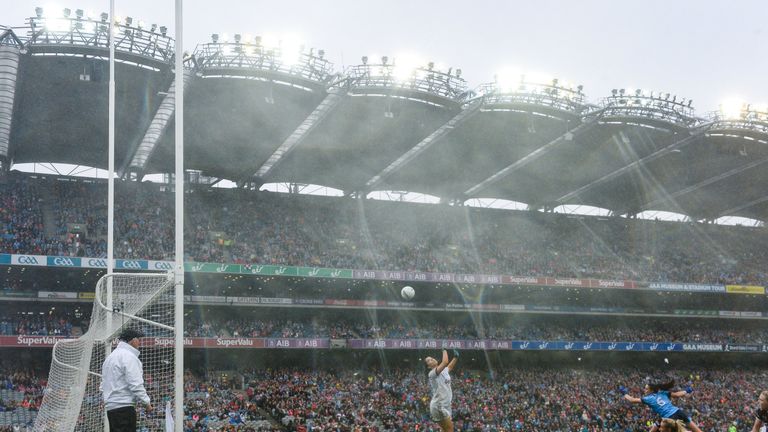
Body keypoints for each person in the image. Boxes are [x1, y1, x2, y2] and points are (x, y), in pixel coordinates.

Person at [101, 328, 152, 432]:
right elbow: (135, 384)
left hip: (111, 408)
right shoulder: (129, 357)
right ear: (133, 340)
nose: (140, 342)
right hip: (124, 407)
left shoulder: (110, 358)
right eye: (138, 339)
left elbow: (103, 385)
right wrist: (146, 402)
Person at [623, 379, 702, 432]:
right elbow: (677, 395)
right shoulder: (662, 393)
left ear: (651, 390)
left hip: (669, 418)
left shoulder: (647, 398)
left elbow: (632, 400)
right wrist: (687, 390)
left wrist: (625, 394)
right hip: (678, 412)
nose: (644, 390)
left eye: (646, 389)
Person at [425, 349, 458, 432]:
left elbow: (449, 366)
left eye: (431, 358)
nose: (432, 359)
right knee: (450, 429)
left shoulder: (444, 370)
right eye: (428, 360)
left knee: (445, 429)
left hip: (445, 404)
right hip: (439, 405)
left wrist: (455, 357)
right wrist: (444, 349)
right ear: (428, 366)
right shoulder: (432, 373)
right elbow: (445, 362)